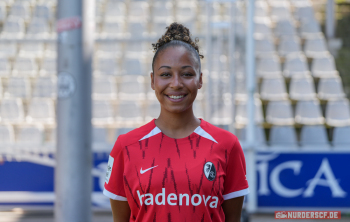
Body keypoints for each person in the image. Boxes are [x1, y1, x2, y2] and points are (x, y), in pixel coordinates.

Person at [103, 22, 249, 222]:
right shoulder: (126, 146)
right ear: (153, 81)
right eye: (165, 74)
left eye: (187, 74)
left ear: (200, 79)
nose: (176, 83)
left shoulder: (227, 145)